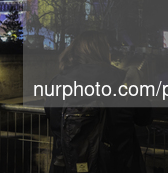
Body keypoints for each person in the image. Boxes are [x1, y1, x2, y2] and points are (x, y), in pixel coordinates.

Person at [45, 30, 151, 173]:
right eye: (108, 49)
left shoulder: (58, 82)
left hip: (70, 166)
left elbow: (55, 122)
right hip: (118, 165)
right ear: (101, 52)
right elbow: (144, 117)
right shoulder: (124, 80)